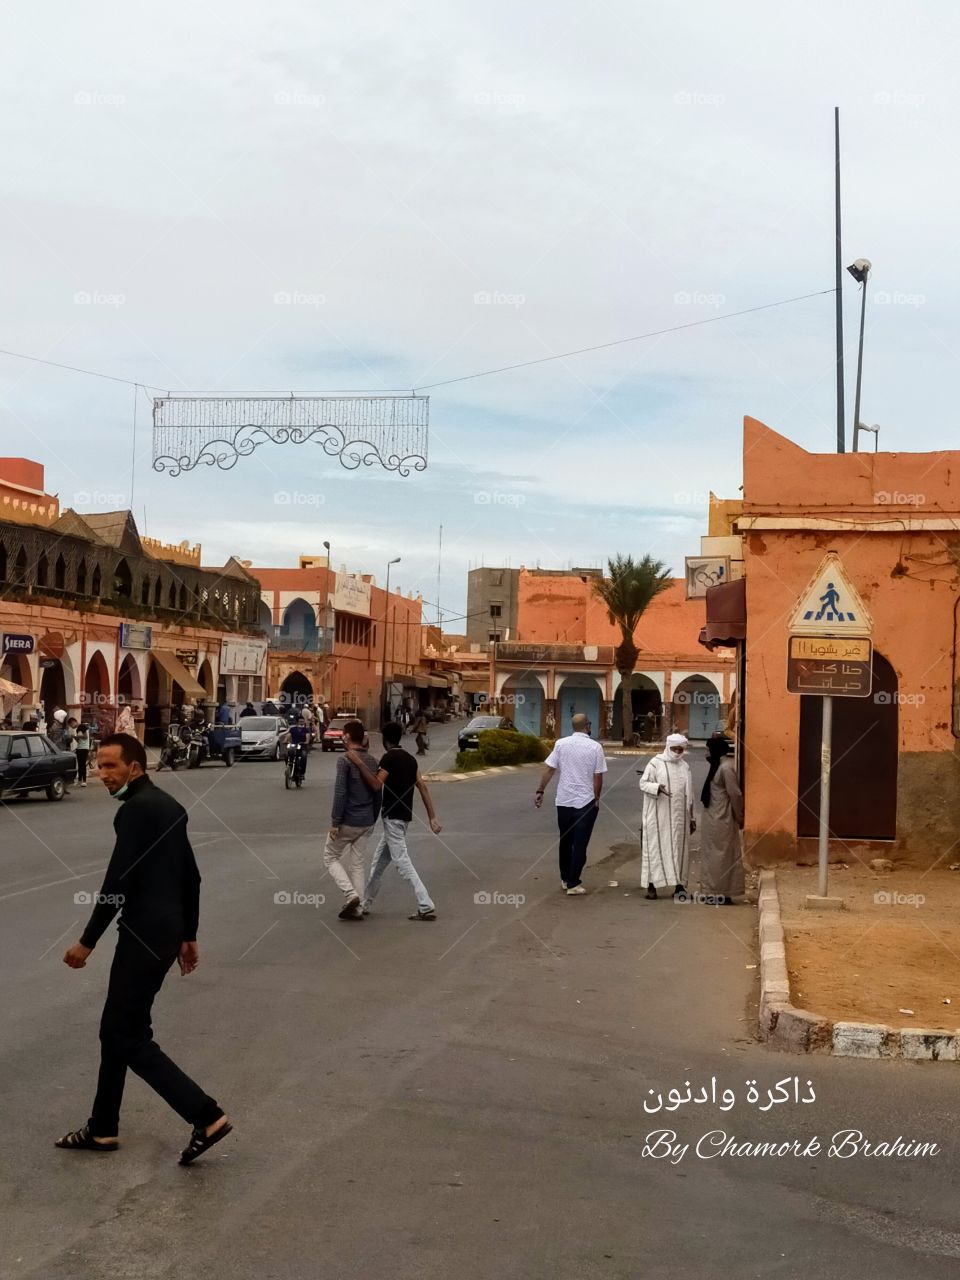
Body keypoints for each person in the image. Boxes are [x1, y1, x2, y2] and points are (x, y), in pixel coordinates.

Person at [55, 733, 231, 1165]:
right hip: (163, 935)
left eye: (112, 766)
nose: (102, 774)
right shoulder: (169, 805)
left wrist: (87, 941)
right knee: (117, 1029)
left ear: (135, 767)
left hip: (142, 936)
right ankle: (102, 1129)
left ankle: (206, 1115)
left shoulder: (136, 812)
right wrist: (188, 935)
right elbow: (192, 879)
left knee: (127, 1035)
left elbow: (118, 882)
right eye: (99, 765)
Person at [345, 721, 442, 921]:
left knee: (402, 862)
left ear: (384, 739)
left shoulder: (389, 759)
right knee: (379, 864)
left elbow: (376, 784)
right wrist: (432, 817)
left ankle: (425, 903)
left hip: (392, 817)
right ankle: (363, 904)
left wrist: (359, 762)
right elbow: (422, 787)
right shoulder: (410, 759)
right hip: (404, 818)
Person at [534, 712, 607, 895]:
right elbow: (597, 776)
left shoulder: (560, 744)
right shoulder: (595, 747)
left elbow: (550, 769)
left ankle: (566, 879)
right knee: (580, 843)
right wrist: (596, 798)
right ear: (587, 726)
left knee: (565, 841)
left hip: (564, 800)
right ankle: (574, 882)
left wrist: (540, 791)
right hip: (585, 801)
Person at [324, 720, 380, 920]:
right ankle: (358, 908)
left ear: (346, 737)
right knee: (357, 864)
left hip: (348, 820)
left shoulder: (345, 760)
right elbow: (377, 792)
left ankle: (351, 894)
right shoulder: (373, 761)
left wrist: (335, 822)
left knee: (330, 857)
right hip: (366, 821)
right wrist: (373, 816)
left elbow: (340, 792)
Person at [639, 733, 696, 900]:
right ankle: (651, 886)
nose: (677, 752)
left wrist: (692, 818)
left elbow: (690, 793)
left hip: (680, 818)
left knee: (679, 851)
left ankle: (679, 887)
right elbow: (643, 783)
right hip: (659, 816)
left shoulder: (685, 766)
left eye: (680, 749)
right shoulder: (655, 763)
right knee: (656, 849)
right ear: (668, 747)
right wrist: (657, 787)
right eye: (674, 749)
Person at [699, 737, 744, 904]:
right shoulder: (717, 766)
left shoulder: (726, 768)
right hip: (713, 818)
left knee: (722, 856)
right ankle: (713, 891)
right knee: (713, 856)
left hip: (723, 818)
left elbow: (735, 795)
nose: (706, 753)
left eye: (708, 750)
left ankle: (723, 893)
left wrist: (739, 816)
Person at [284, 716, 309, 780]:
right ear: (297, 722)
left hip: (302, 747)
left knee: (303, 756)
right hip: (293, 746)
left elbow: (307, 737)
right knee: (287, 754)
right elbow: (288, 735)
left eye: (302, 721)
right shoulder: (293, 729)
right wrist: (286, 740)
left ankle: (302, 773)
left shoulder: (306, 729)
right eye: (300, 721)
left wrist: (306, 741)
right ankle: (289, 767)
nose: (302, 722)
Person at [74, 720, 92, 787]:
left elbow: (85, 737)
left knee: (83, 764)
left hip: (84, 748)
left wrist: (77, 737)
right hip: (79, 748)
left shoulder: (83, 727)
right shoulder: (77, 730)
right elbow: (79, 741)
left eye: (73, 723)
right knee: (79, 764)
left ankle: (84, 781)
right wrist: (75, 738)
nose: (72, 726)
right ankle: (79, 780)